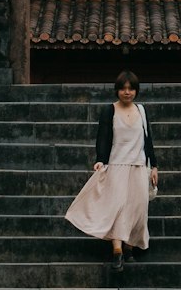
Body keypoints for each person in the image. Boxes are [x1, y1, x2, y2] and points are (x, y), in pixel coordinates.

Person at [65, 70, 159, 271]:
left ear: (136, 91)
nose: (127, 92)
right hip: (117, 165)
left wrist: (154, 166)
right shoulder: (110, 111)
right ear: (117, 90)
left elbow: (147, 139)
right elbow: (103, 137)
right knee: (118, 207)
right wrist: (100, 160)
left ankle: (130, 247)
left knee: (138, 209)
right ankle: (117, 251)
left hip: (139, 165)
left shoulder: (141, 111)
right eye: (123, 89)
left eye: (131, 88)